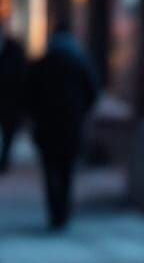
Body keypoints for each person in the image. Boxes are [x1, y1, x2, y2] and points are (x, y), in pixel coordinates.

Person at [23, 21, 100, 229]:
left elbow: (27, 96)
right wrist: (80, 112)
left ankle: (55, 211)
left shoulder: (42, 64)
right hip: (70, 126)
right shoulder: (79, 62)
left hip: (46, 127)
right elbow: (93, 92)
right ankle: (63, 211)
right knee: (66, 171)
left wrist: (35, 116)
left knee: (50, 171)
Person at [0, 24, 27, 172]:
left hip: (10, 101)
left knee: (8, 132)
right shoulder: (14, 51)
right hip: (9, 100)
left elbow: (21, 77)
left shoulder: (14, 51)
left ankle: (4, 161)